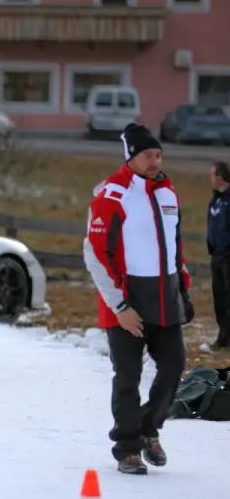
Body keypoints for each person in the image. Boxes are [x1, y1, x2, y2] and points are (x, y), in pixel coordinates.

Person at [83, 122, 193, 475]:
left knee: (174, 365)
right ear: (130, 156)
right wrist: (120, 307)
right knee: (128, 375)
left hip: (164, 294)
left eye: (159, 155)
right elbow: (95, 255)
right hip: (126, 299)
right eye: (148, 155)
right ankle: (127, 448)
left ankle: (149, 428)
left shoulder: (167, 193)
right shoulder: (112, 194)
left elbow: (176, 249)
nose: (155, 161)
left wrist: (184, 292)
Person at [206, 160, 230, 352]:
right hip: (217, 257)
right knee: (220, 298)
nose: (210, 179)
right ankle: (223, 337)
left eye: (213, 175)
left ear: (221, 177)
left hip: (228, 256)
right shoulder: (215, 200)